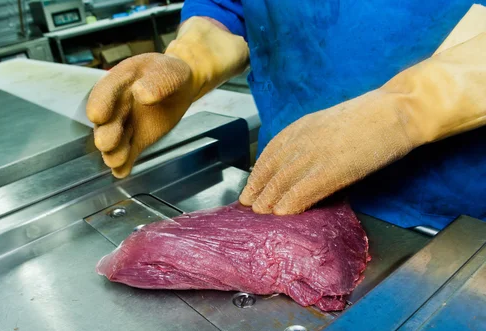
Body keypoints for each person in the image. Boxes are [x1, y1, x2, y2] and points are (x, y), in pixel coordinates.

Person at [86, 1, 486, 230]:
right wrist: (192, 61)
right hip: (289, 187)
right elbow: (230, 7)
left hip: (459, 214)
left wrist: (409, 107)